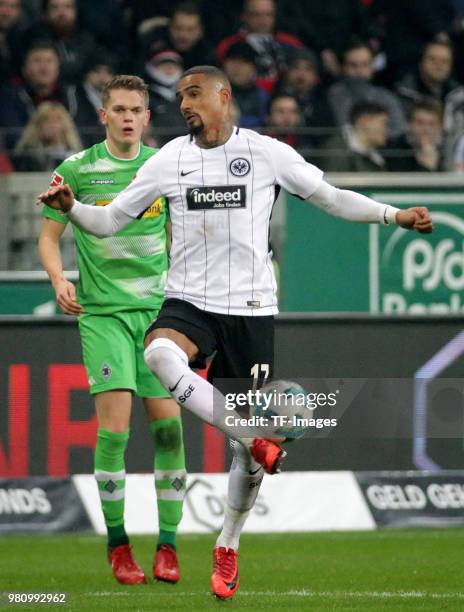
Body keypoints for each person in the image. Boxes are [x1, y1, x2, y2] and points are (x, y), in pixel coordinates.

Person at [37, 65, 433, 600]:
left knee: (246, 461)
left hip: (250, 310)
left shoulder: (267, 153)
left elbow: (331, 197)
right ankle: (248, 433)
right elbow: (110, 222)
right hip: (189, 301)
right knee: (159, 354)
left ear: (224, 98)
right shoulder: (170, 159)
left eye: (194, 94)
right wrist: (75, 209)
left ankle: (227, 543)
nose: (184, 104)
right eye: (179, 97)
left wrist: (393, 215)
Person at [38, 75, 186, 586]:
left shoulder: (164, 166)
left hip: (160, 316)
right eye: (118, 109)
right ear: (103, 115)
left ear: (147, 117)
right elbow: (50, 235)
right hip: (103, 315)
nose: (127, 117)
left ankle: (168, 546)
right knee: (116, 431)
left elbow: (177, 233)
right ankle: (118, 544)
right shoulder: (77, 170)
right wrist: (59, 279)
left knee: (168, 429)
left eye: (136, 110)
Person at [216, 0, 303, 92]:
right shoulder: (228, 45)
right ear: (244, 16)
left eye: (268, 15)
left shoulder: (292, 44)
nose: (263, 20)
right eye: (256, 15)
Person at [328, 41, 406, 139]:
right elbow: (340, 128)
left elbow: (399, 129)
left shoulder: (386, 97)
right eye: (353, 65)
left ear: (372, 67)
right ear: (343, 67)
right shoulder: (332, 96)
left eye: (365, 64)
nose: (359, 71)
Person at [13, 101, 82, 171]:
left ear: (65, 125)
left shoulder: (76, 154)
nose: (52, 124)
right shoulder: (27, 154)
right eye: (47, 119)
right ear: (38, 125)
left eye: (57, 119)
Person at [321, 102, 389, 172]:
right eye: (383, 123)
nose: (386, 130)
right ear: (364, 121)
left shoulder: (374, 156)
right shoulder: (336, 151)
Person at [386, 99, 445, 172]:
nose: (426, 128)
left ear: (440, 126)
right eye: (420, 123)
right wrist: (425, 166)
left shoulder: (448, 148)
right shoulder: (394, 150)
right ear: (409, 124)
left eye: (431, 124)